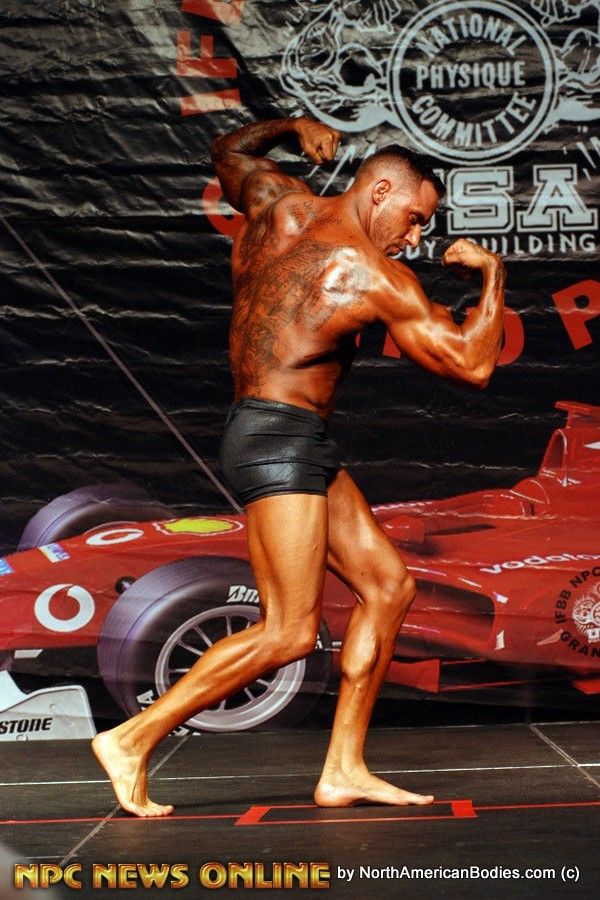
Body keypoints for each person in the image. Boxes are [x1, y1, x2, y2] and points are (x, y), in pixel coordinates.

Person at [92, 115, 505, 817]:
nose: (415, 238)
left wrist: (290, 126)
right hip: (276, 439)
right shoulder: (373, 276)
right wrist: (494, 274)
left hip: (289, 436)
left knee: (388, 586)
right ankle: (131, 739)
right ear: (379, 190)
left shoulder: (277, 203)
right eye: (414, 219)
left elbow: (227, 149)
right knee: (288, 630)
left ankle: (343, 768)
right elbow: (474, 364)